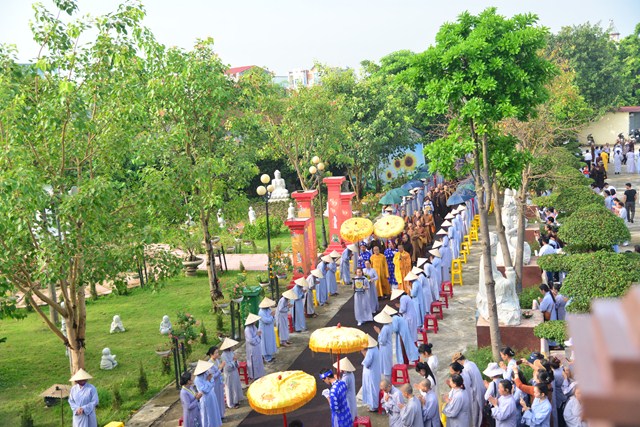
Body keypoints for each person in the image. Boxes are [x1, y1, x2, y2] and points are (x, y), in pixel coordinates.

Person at [452, 352, 486, 427]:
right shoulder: (471, 363)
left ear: (459, 361)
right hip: (479, 391)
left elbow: (467, 386)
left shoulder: (465, 369)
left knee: (474, 416)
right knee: (478, 414)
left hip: (474, 394)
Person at [194, 360, 222, 427]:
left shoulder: (207, 373)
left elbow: (213, 383)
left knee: (214, 412)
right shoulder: (197, 379)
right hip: (205, 398)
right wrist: (208, 381)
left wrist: (209, 381)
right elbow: (204, 390)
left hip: (212, 395)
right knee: (207, 414)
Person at [219, 338, 243, 409]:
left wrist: (235, 361)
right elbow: (227, 367)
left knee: (236, 386)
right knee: (231, 388)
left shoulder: (232, 352)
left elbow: (236, 361)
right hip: (229, 374)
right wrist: (234, 361)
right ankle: (232, 402)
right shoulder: (223, 355)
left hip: (235, 372)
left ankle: (237, 399)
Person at [361, 334, 381, 412]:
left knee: (371, 389)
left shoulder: (370, 351)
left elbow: (367, 363)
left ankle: (373, 406)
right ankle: (374, 404)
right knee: (374, 388)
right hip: (375, 371)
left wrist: (363, 352)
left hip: (371, 373)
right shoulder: (375, 348)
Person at [205, 346, 226, 418]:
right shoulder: (209, 363)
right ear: (211, 354)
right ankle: (217, 416)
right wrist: (220, 369)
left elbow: (219, 369)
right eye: (216, 353)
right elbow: (213, 376)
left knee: (221, 398)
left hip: (219, 382)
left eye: (218, 352)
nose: (217, 354)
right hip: (214, 384)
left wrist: (221, 368)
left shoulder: (216, 360)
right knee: (216, 399)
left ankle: (221, 414)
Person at [374, 311, 394, 380]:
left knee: (386, 365)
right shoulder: (390, 325)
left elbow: (383, 341)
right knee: (387, 363)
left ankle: (388, 382)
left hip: (385, 348)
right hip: (388, 347)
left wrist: (379, 332)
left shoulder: (385, 328)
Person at [244, 313, 265, 380]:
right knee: (253, 361)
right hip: (252, 348)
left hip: (257, 346)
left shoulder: (254, 327)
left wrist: (258, 335)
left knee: (258, 360)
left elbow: (257, 334)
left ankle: (259, 374)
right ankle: (254, 376)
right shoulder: (247, 330)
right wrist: (257, 336)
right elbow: (250, 340)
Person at [258, 297, 277, 363]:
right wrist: (272, 316)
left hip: (270, 329)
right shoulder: (261, 312)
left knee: (270, 342)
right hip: (264, 330)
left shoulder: (268, 309)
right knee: (265, 343)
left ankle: (270, 355)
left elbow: (272, 318)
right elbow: (266, 320)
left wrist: (272, 316)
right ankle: (266, 357)